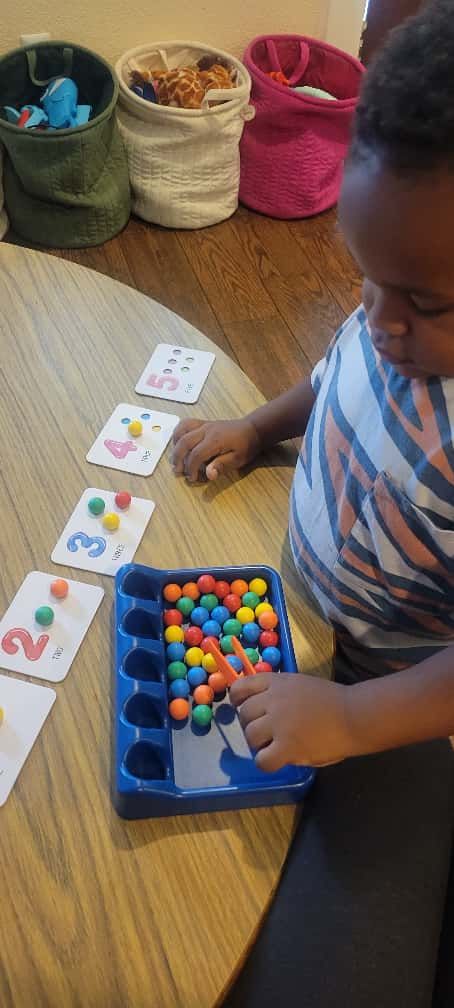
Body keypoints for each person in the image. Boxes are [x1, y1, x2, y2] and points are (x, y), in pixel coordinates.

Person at [172, 3, 454, 1004]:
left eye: (424, 302)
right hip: (293, 600)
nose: (379, 320)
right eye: (364, 278)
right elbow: (337, 372)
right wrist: (258, 427)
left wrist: (348, 716)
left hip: (398, 690)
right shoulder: (397, 288)